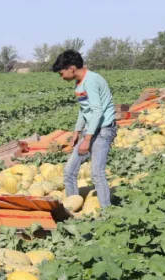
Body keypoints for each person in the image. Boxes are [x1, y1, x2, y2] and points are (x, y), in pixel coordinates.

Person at [53, 49, 116, 207]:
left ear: (71, 68)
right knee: (69, 171)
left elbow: (97, 110)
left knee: (97, 173)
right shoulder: (79, 83)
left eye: (61, 73)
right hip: (90, 130)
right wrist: (77, 131)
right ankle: (72, 208)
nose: (61, 78)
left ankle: (107, 213)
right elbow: (84, 109)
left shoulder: (91, 81)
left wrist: (87, 140)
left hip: (103, 130)